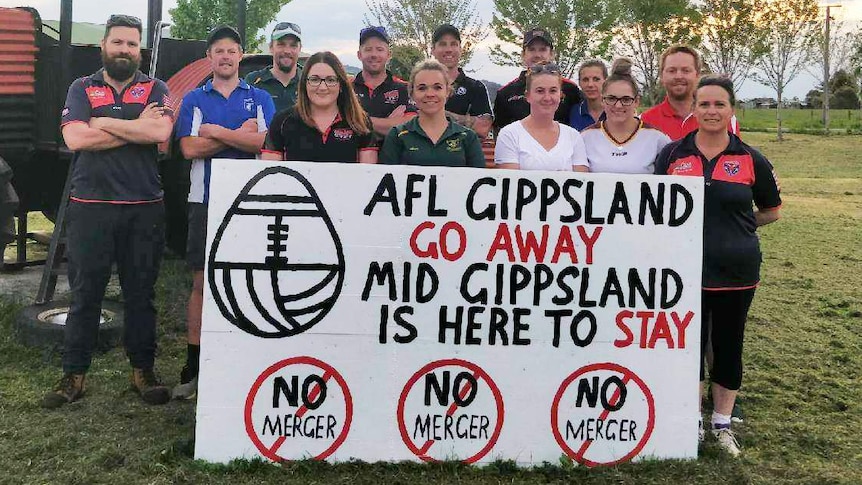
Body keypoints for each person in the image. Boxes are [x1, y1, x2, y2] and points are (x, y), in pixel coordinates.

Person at [42, 14, 174, 408]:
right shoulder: (81, 87)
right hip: (91, 208)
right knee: (85, 295)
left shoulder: (157, 87)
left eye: (132, 44)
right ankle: (73, 376)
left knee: (141, 295)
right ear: (104, 45)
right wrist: (133, 125)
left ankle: (143, 372)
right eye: (118, 43)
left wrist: (103, 122)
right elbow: (76, 138)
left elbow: (160, 133)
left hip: (144, 209)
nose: (124, 50)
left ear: (140, 50)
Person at [654, 75, 781, 456]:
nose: (711, 111)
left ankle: (722, 423)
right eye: (704, 104)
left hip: (735, 271)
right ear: (694, 109)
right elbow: (656, 207)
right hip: (682, 271)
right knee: (688, 347)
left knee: (728, 345)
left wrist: (738, 226)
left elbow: (771, 211)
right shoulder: (673, 156)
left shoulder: (750, 158)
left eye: (719, 104)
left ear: (731, 110)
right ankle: (690, 418)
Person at [172, 25, 275, 400]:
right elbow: (188, 149)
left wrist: (214, 133)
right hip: (206, 199)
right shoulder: (194, 100)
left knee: (251, 282)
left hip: (250, 203)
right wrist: (234, 134)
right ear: (210, 58)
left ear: (241, 55)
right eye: (219, 51)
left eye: (233, 51)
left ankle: (245, 362)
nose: (226, 57)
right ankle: (193, 366)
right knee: (202, 285)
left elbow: (265, 145)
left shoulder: (260, 97)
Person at [262, 51, 378, 163]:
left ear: (341, 85)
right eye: (314, 79)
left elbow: (368, 177)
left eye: (331, 80)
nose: (323, 87)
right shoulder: (282, 121)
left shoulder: (360, 122)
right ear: (304, 84)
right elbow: (271, 178)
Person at [380, 60, 485, 168]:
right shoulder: (397, 135)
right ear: (412, 94)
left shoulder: (468, 137)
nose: (430, 94)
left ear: (448, 92)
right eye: (422, 88)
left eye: (437, 87)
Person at [494, 62, 588, 172]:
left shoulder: (574, 137)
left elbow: (581, 182)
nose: (547, 97)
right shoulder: (509, 135)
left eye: (553, 91)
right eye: (540, 91)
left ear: (560, 95)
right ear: (528, 96)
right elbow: (510, 183)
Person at [580, 59, 670, 174]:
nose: (618, 105)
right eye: (611, 99)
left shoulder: (657, 139)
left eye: (626, 99)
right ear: (602, 100)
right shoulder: (585, 138)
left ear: (637, 101)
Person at [493, 28, 582, 133]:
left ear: (552, 54)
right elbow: (498, 131)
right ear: (523, 55)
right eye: (532, 49)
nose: (537, 55)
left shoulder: (570, 90)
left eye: (543, 49)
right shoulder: (506, 93)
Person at [641, 44, 739, 141]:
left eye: (686, 70)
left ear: (697, 75)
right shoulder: (644, 122)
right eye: (672, 71)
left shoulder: (725, 118)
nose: (678, 76)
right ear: (661, 76)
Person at [430, 24, 493, 139]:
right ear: (433, 50)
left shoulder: (475, 88)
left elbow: (484, 128)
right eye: (442, 44)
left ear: (460, 49)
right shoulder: (421, 86)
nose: (449, 49)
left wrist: (441, 115)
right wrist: (467, 120)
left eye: (454, 44)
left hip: (462, 154)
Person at [352, 26, 415, 136]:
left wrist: (356, 120)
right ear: (359, 55)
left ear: (389, 54)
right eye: (368, 49)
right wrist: (389, 124)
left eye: (380, 49)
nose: (374, 55)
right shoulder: (346, 88)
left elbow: (409, 126)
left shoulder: (405, 88)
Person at [245, 22, 303, 113]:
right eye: (281, 44)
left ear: (300, 49)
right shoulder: (253, 81)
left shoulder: (310, 81)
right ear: (271, 47)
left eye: (293, 45)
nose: (287, 51)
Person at [569, 59, 607, 131]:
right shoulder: (574, 111)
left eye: (596, 79)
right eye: (585, 80)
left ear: (606, 82)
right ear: (579, 83)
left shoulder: (615, 111)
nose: (590, 85)